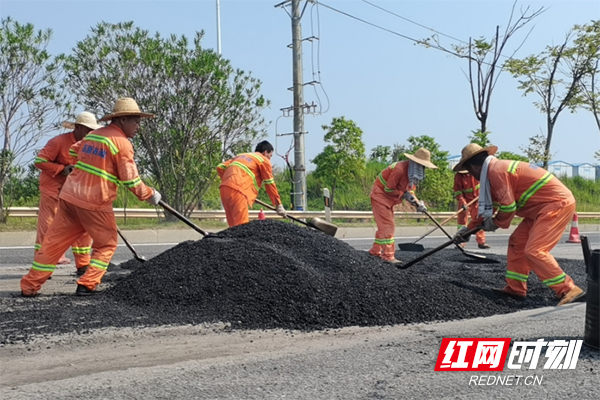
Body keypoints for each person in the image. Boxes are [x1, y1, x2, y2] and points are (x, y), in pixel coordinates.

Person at [21, 98, 161, 297]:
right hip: (95, 201)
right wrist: (150, 195)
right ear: (122, 120)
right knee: (106, 244)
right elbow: (131, 181)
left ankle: (29, 285)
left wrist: (93, 164)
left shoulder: (93, 136)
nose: (138, 126)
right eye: (135, 121)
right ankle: (87, 283)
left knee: (52, 244)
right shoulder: (122, 144)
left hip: (70, 197)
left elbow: (73, 150)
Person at [452, 143, 585, 306]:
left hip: (555, 204)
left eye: (470, 172)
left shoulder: (497, 171)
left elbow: (508, 207)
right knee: (517, 243)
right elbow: (490, 206)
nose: (471, 176)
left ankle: (568, 289)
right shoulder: (493, 173)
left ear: (473, 167)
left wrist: (495, 223)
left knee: (534, 251)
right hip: (537, 209)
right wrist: (468, 229)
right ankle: (516, 288)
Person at [34, 112, 100, 274]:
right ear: (77, 128)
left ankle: (83, 264)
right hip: (53, 192)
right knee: (48, 229)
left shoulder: (91, 145)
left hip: (77, 194)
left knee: (83, 228)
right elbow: (40, 161)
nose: (90, 133)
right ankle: (42, 268)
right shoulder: (58, 142)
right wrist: (61, 169)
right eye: (87, 130)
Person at [369, 148, 438, 264]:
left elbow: (410, 191)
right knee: (388, 226)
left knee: (384, 226)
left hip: (389, 200)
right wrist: (404, 194)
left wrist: (418, 203)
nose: (422, 168)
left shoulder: (411, 174)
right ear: (415, 163)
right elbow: (388, 189)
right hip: (380, 196)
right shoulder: (399, 169)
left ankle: (375, 251)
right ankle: (388, 256)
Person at [217, 140, 286, 227]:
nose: (270, 159)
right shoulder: (263, 160)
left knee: (233, 228)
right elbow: (269, 183)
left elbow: (220, 167)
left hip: (224, 189)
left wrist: (230, 183)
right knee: (241, 227)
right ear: (265, 152)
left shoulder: (241, 156)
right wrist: (278, 204)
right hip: (239, 192)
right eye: (270, 156)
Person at [453, 169, 490, 249]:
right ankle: (461, 242)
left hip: (477, 200)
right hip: (465, 201)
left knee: (479, 220)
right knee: (462, 222)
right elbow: (458, 191)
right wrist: (463, 202)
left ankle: (481, 242)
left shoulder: (476, 173)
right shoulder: (458, 176)